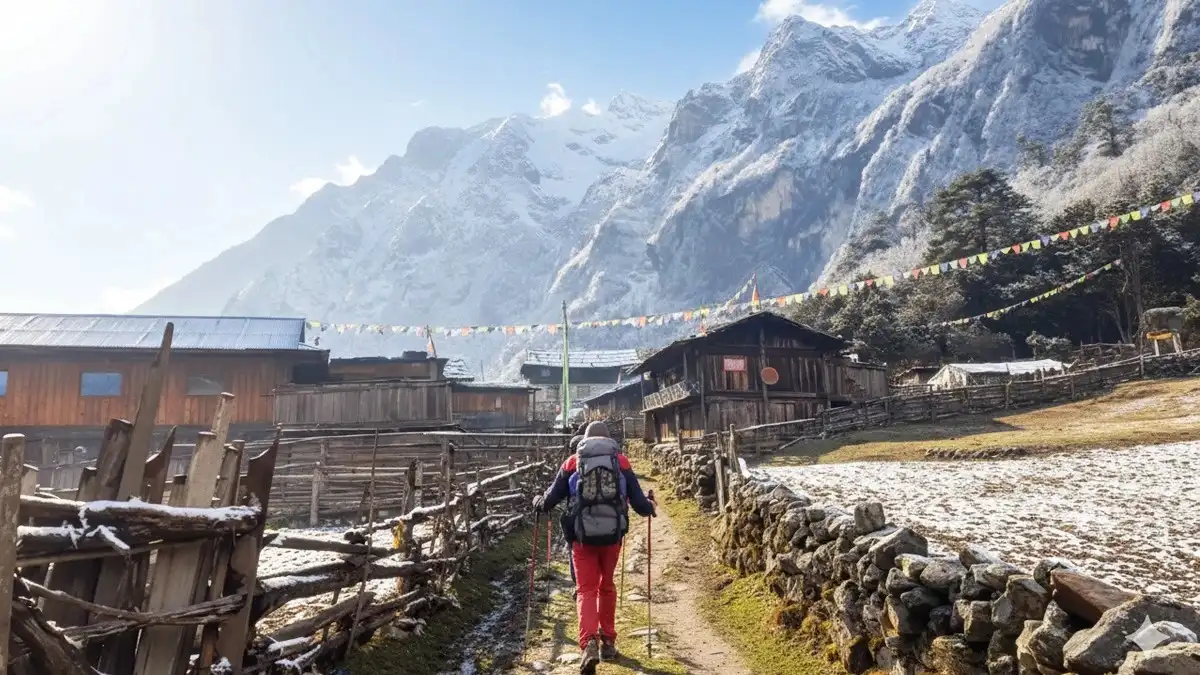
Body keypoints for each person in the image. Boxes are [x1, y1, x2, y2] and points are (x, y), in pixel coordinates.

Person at [533, 421, 656, 674]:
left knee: (586, 589)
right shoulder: (621, 462)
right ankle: (608, 642)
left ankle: (588, 643)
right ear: (609, 439)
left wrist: (538, 502)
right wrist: (650, 505)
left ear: (584, 440)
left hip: (581, 538)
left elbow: (550, 500)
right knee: (606, 586)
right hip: (612, 537)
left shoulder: (572, 462)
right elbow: (640, 504)